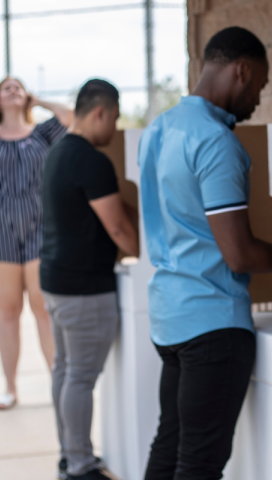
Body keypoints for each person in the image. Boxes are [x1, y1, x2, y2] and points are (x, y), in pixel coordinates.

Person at [138, 26, 272, 480]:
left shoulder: (158, 129)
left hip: (168, 318)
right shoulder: (216, 142)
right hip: (214, 325)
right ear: (241, 71)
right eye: (259, 86)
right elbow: (239, 254)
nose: (258, 100)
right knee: (199, 465)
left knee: (171, 446)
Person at [41, 79, 139, 480]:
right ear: (99, 111)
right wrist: (143, 253)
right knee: (78, 377)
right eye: (114, 118)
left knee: (65, 371)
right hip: (83, 288)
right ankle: (80, 466)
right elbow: (118, 229)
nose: (114, 130)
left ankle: (70, 454)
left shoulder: (58, 152)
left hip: (56, 280)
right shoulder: (92, 162)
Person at [0, 76, 72, 410]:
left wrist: (38, 101)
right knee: (8, 311)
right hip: (3, 233)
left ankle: (55, 382)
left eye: (18, 87)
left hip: (39, 230)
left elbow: (70, 116)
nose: (13, 91)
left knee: (42, 308)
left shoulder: (42, 133)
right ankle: (10, 388)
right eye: (6, 88)